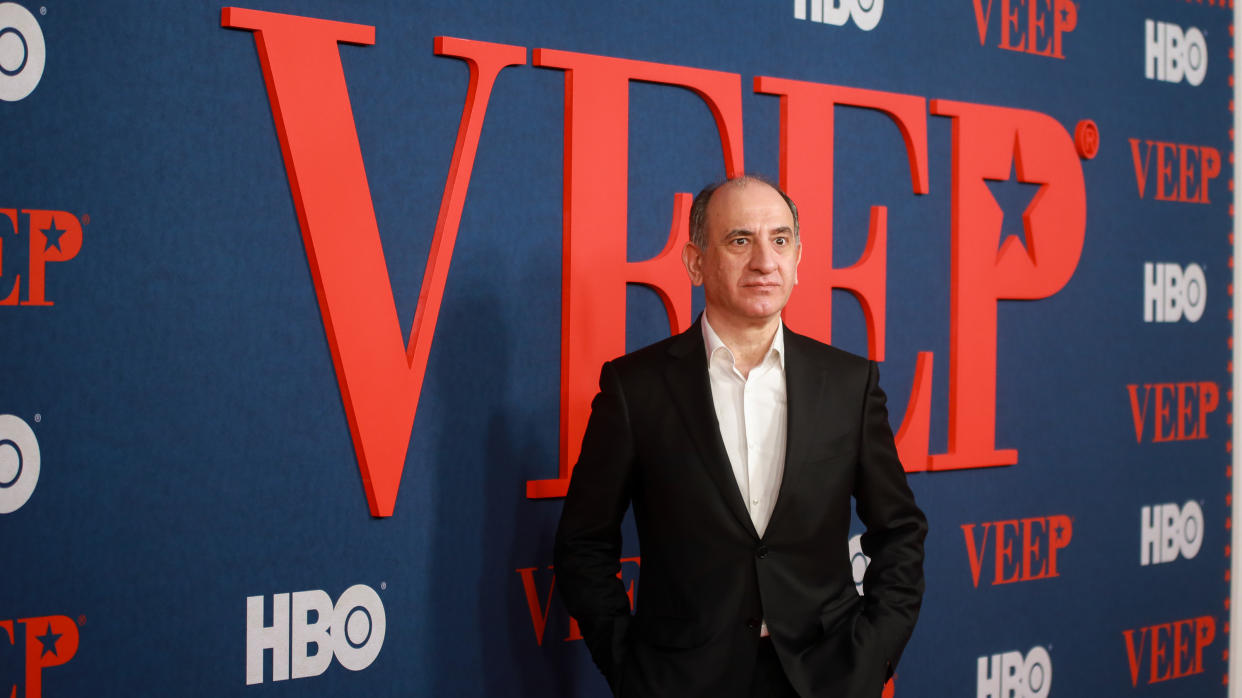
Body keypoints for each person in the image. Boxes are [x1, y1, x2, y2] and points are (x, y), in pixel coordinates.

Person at [554, 175, 927, 697]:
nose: (764, 261)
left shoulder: (849, 384)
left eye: (780, 240)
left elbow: (900, 530)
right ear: (695, 261)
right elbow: (583, 543)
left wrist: (870, 658)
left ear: (798, 258)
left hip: (825, 677)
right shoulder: (634, 388)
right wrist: (631, 669)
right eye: (739, 241)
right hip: (682, 681)